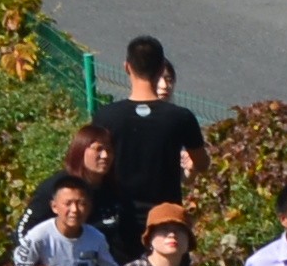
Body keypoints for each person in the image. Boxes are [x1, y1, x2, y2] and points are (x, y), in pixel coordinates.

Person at [84, 40, 203, 228]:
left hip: (118, 220)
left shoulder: (106, 116)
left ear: (127, 67)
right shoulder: (181, 118)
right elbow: (203, 163)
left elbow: (92, 162)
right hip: (166, 222)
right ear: (161, 68)